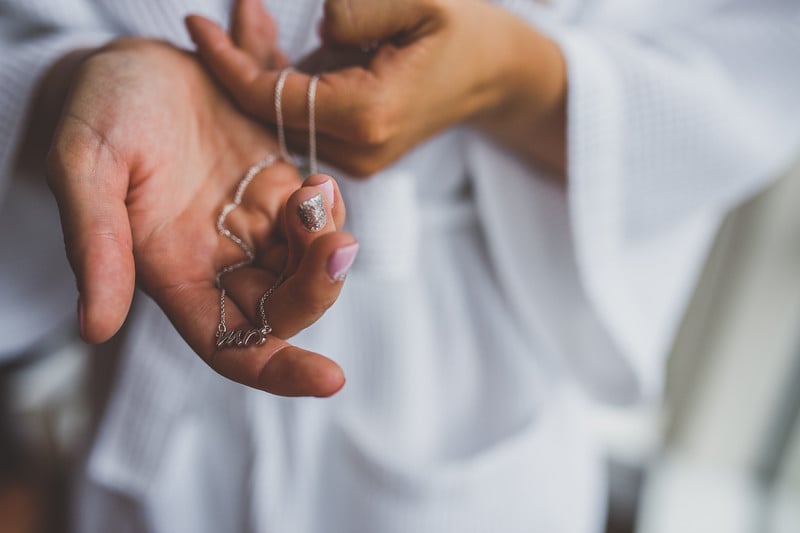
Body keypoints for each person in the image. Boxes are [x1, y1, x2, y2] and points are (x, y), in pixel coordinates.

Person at [1, 0, 799, 531]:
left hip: (462, 371)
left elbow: (761, 57)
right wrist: (67, 91)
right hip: (163, 368)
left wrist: (517, 78)